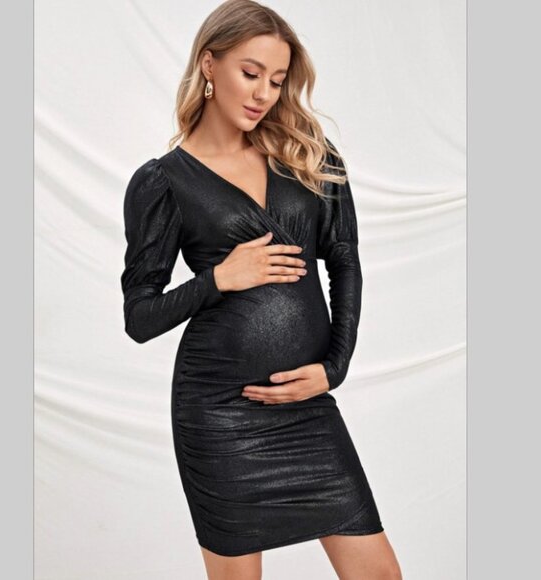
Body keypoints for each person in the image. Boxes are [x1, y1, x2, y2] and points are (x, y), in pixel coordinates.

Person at [121, 1, 402, 578]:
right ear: (209, 65)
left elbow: (344, 260)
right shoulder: (163, 182)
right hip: (217, 414)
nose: (264, 94)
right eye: (250, 73)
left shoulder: (309, 155)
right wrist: (219, 278)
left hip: (307, 409)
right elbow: (139, 317)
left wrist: (335, 367)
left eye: (276, 80)